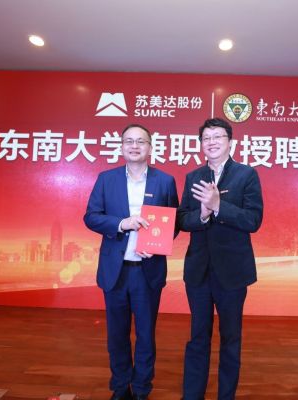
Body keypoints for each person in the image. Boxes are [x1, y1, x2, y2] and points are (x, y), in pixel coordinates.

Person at [84, 124, 179, 400]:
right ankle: (120, 386)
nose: (134, 146)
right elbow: (91, 217)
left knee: (146, 335)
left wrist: (157, 246)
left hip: (147, 271)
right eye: (129, 141)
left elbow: (173, 222)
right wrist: (121, 224)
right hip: (115, 271)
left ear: (150, 147)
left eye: (140, 141)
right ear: (122, 146)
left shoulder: (165, 181)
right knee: (117, 334)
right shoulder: (106, 179)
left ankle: (141, 389)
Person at [177, 118, 264, 400]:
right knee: (198, 337)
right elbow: (182, 219)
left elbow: (253, 220)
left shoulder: (246, 175)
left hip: (232, 273)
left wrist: (218, 207)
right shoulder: (193, 177)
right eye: (206, 138)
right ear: (201, 144)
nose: (211, 142)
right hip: (198, 272)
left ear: (230, 142)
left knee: (230, 339)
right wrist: (202, 214)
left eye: (218, 137)